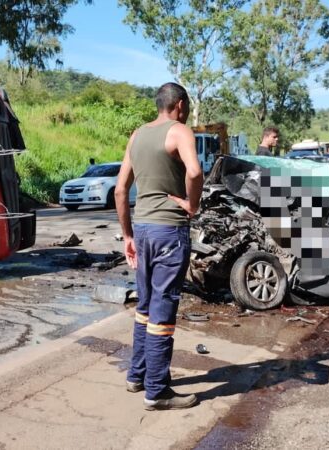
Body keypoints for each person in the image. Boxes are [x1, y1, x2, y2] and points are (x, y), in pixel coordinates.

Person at [115, 82, 204, 411]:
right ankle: (157, 391)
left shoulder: (137, 135)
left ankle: (136, 376)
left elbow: (121, 191)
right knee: (163, 310)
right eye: (187, 106)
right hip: (169, 231)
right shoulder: (180, 131)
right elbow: (194, 172)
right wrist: (191, 204)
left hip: (143, 230)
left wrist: (128, 236)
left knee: (145, 307)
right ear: (179, 105)